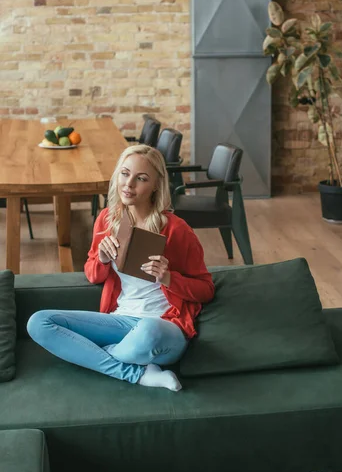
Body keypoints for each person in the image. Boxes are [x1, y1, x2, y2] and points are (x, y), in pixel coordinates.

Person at [27, 144, 215, 392]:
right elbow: (92, 274)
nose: (129, 184)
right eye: (125, 174)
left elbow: (206, 290)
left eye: (141, 178)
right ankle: (138, 373)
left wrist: (169, 278)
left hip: (163, 328)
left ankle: (96, 357)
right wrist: (103, 259)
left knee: (148, 329)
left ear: (156, 185)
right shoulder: (108, 218)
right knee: (38, 322)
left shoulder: (177, 230)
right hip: (121, 321)